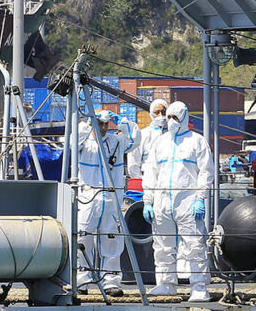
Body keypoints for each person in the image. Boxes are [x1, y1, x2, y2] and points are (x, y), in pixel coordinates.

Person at [142, 102, 215, 301]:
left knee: (194, 245)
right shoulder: (160, 142)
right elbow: (150, 172)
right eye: (169, 117)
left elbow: (206, 172)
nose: (171, 121)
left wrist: (200, 197)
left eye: (175, 117)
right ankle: (166, 284)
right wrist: (148, 200)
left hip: (187, 201)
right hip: (162, 201)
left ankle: (199, 287)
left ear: (184, 117)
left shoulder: (197, 141)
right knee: (162, 245)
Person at [74, 110, 133, 295]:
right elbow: (73, 140)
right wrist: (88, 121)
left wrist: (122, 123)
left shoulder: (116, 141)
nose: (103, 127)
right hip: (88, 197)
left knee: (113, 240)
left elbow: (132, 141)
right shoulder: (84, 143)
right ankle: (81, 280)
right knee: (83, 239)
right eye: (99, 123)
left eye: (106, 124)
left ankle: (111, 281)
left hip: (110, 198)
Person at [127, 99, 169, 180]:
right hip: (148, 179)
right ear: (151, 114)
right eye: (157, 112)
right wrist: (141, 181)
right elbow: (133, 163)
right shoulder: (143, 135)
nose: (161, 115)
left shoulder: (172, 134)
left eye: (163, 112)